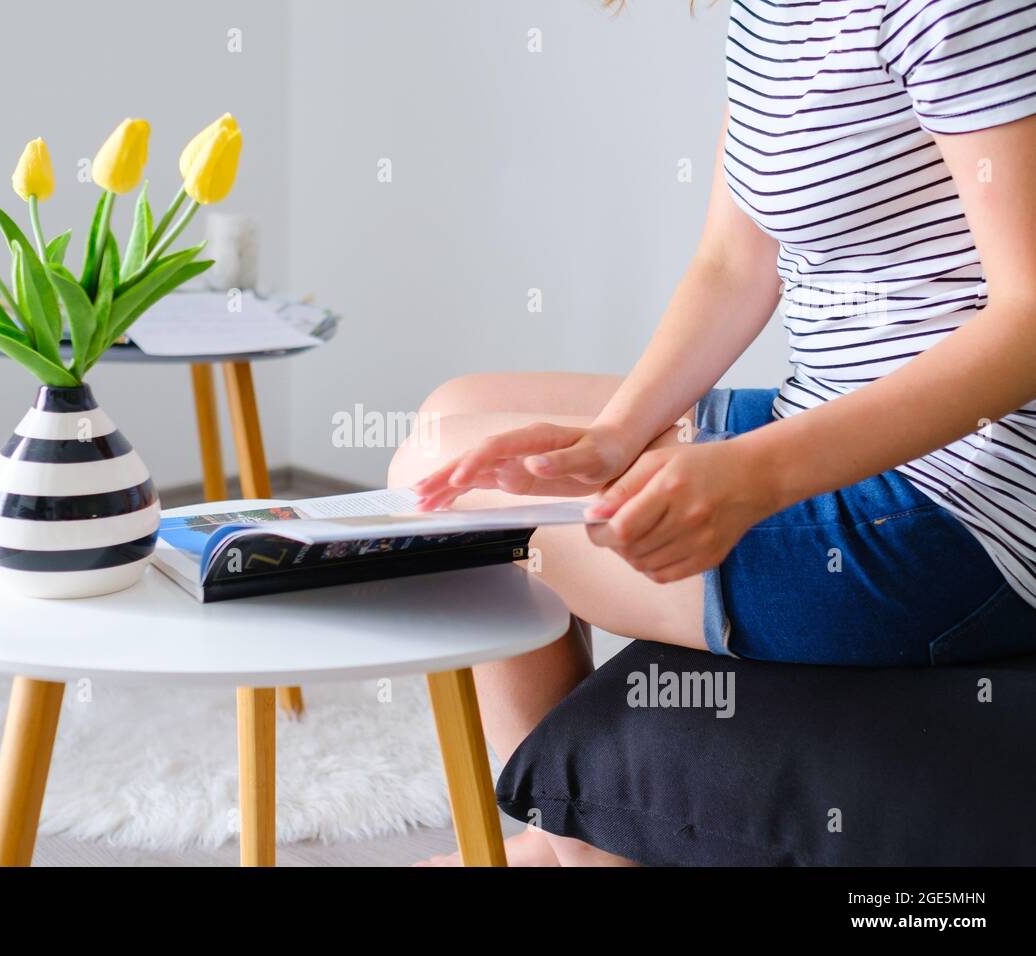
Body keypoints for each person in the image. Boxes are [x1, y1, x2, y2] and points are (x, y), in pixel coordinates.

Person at [390, 0, 1036, 866]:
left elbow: (1029, 320)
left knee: (444, 482)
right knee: (452, 411)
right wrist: (615, 439)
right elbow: (734, 262)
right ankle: (566, 836)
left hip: (956, 509)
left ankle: (573, 850)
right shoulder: (767, 11)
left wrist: (753, 478)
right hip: (821, 413)